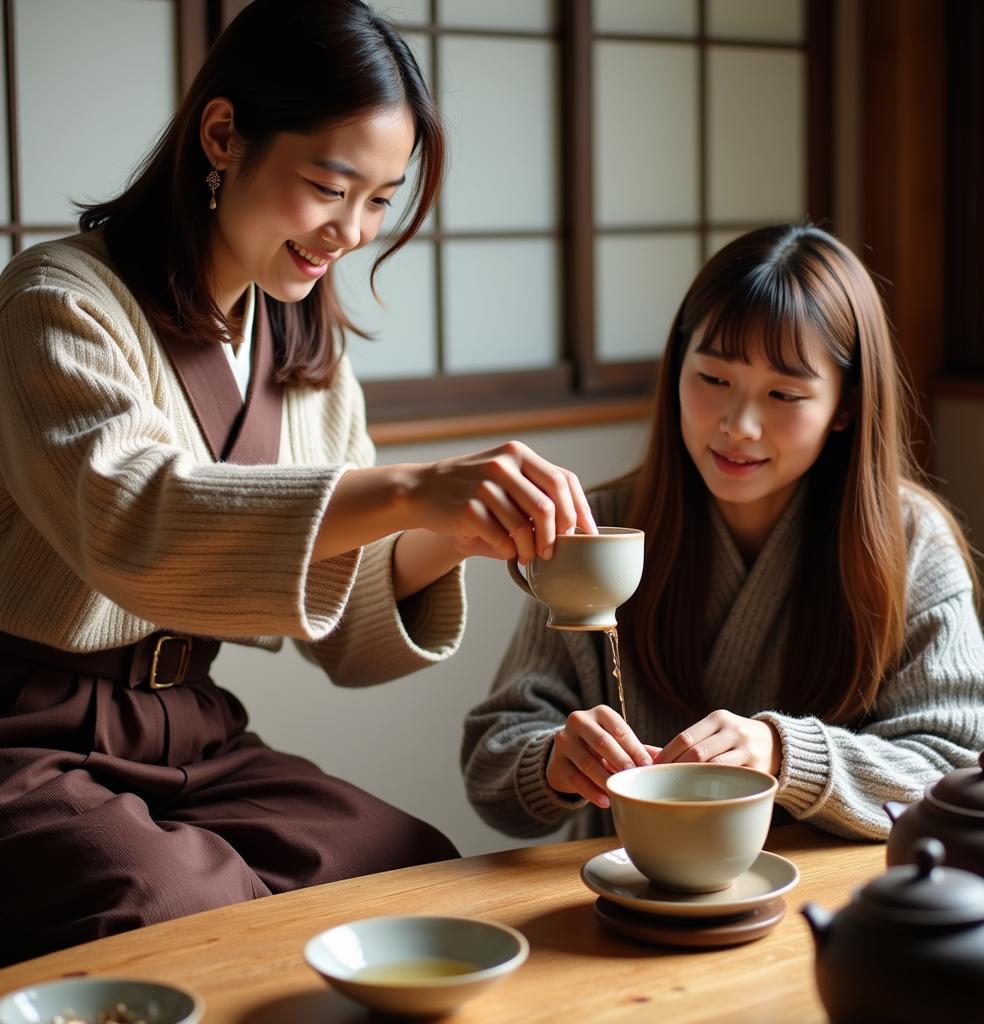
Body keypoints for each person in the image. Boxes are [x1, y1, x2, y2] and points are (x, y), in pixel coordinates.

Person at [0, 0, 595, 965]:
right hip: (24, 735)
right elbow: (137, 522)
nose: (350, 232)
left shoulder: (302, 350)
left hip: (191, 732)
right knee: (189, 921)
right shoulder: (57, 307)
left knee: (409, 873)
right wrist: (412, 491)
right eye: (330, 185)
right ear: (224, 135)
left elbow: (348, 631)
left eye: (381, 201)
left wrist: (457, 530)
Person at [462, 223, 984, 843]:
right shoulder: (596, 529)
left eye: (784, 393)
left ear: (846, 407)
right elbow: (492, 768)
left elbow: (962, 768)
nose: (739, 425)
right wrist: (553, 762)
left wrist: (786, 754)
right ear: (677, 367)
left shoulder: (909, 540)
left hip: (827, 899)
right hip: (629, 890)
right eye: (714, 380)